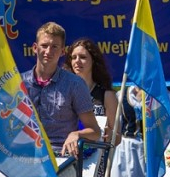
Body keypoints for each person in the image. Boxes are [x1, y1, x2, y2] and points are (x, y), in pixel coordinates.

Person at [21, 22, 100, 157]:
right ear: (35, 48)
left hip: (61, 156)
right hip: (25, 157)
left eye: (54, 47)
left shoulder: (75, 84)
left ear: (63, 51)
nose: (48, 51)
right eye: (44, 46)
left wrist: (76, 134)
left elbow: (95, 132)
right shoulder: (19, 83)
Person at [65, 37, 118, 141]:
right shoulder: (64, 92)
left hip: (98, 154)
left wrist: (111, 135)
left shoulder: (107, 95)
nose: (77, 61)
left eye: (83, 57)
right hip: (67, 154)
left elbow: (118, 136)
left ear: (93, 61)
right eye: (73, 57)